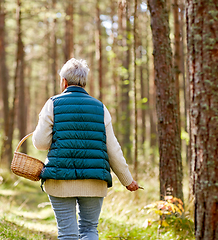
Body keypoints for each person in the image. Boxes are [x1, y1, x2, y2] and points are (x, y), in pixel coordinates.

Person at [32, 58, 140, 240]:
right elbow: (113, 149)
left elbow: (40, 143)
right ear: (84, 82)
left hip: (59, 179)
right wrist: (127, 180)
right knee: (89, 230)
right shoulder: (100, 108)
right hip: (94, 180)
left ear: (64, 82)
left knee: (68, 234)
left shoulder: (53, 104)